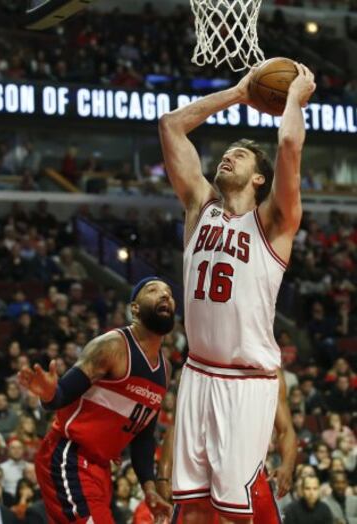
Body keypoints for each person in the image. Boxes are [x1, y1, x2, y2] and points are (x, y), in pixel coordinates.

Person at [159, 61, 315, 523]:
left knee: (233, 515)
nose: (227, 156)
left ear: (260, 179)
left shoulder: (273, 223)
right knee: (189, 512)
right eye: (225, 152)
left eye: (240, 156)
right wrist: (238, 92)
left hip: (246, 384)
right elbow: (171, 126)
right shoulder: (198, 207)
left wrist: (294, 98)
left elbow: (287, 143)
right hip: (198, 372)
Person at [18, 277, 174, 523]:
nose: (165, 295)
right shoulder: (113, 346)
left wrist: (150, 489)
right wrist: (49, 393)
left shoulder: (165, 370)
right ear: (134, 308)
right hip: (69, 457)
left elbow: (143, 436)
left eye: (169, 293)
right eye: (153, 291)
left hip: (100, 469)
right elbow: (62, 394)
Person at [157, 370, 297, 523]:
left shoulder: (269, 367)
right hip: (204, 471)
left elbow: (285, 429)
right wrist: (164, 475)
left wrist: (287, 465)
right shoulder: (203, 360)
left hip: (250, 472)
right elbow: (178, 424)